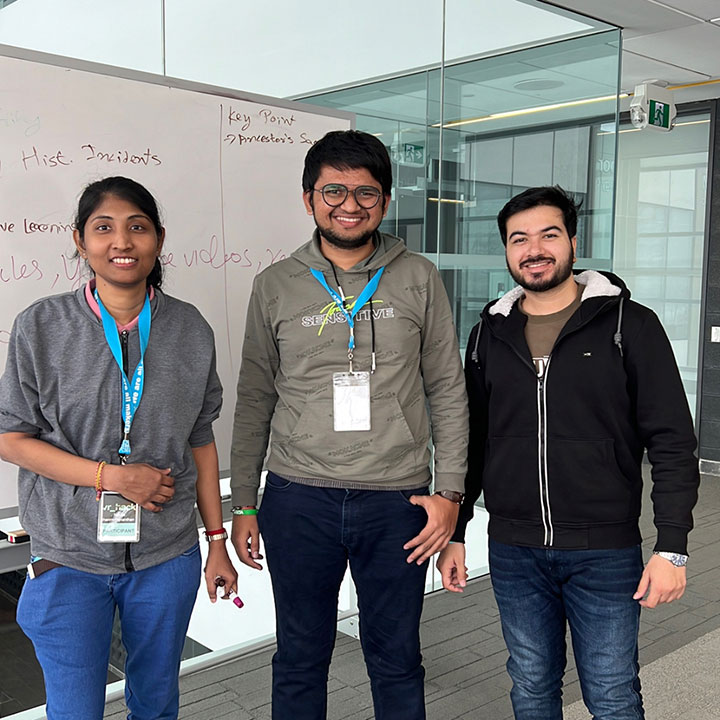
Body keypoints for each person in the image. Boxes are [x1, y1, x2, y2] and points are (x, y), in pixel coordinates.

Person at [230, 129, 468, 720]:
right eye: (333, 189)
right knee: (300, 656)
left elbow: (447, 388)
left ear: (384, 201)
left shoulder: (418, 276)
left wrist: (450, 495)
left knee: (396, 658)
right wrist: (243, 504)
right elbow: (254, 398)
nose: (349, 204)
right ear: (308, 198)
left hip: (399, 501)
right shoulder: (275, 284)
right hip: (297, 496)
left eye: (365, 192)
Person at [437, 185, 699, 720]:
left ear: (573, 244)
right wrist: (458, 530)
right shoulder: (488, 334)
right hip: (514, 551)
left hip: (605, 551)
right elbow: (472, 438)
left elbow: (672, 440)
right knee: (531, 687)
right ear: (507, 252)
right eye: (519, 239)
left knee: (611, 693)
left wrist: (672, 546)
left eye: (548, 235)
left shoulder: (631, 325)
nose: (534, 249)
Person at [0, 176, 237, 720]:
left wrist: (217, 540)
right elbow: (12, 438)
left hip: (167, 555)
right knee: (74, 711)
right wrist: (111, 477)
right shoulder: (41, 324)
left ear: (158, 238)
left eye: (137, 227)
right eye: (103, 228)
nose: (122, 242)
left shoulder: (190, 329)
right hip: (67, 556)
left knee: (156, 705)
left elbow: (200, 439)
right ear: (80, 241)